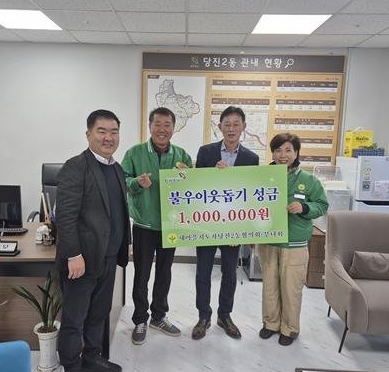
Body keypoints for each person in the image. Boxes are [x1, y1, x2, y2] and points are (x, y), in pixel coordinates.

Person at [56, 109, 130, 372]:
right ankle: (71, 369)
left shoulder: (117, 168)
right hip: (82, 259)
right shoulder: (76, 166)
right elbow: (66, 216)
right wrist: (73, 255)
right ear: (88, 134)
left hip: (108, 257)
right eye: (102, 131)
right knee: (74, 318)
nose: (109, 137)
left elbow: (117, 211)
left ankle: (92, 358)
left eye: (114, 132)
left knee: (99, 312)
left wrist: (125, 241)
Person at [121, 107, 192, 345]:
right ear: (149, 126)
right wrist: (136, 182)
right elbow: (122, 181)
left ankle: (159, 316)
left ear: (173, 128)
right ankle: (140, 319)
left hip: (171, 225)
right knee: (142, 274)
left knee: (165, 272)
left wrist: (188, 179)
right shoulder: (135, 153)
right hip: (144, 224)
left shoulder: (182, 155)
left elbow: (193, 187)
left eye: (167, 125)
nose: (162, 129)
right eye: (157, 124)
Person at [191, 106, 259, 341]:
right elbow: (196, 186)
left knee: (230, 272)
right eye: (227, 124)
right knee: (203, 271)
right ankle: (203, 316)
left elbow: (250, 193)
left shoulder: (251, 158)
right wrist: (214, 173)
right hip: (207, 223)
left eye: (236, 124)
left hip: (233, 226)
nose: (231, 128)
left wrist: (247, 232)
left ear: (243, 127)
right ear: (220, 127)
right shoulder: (206, 152)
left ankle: (224, 315)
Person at [257, 133, 328, 346]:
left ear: (296, 153)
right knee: (270, 287)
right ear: (272, 153)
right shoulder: (262, 176)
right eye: (278, 150)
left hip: (295, 243)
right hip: (268, 241)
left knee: (291, 289)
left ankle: (289, 328)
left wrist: (304, 207)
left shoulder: (308, 180)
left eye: (288, 150)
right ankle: (271, 324)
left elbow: (322, 205)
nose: (283, 155)